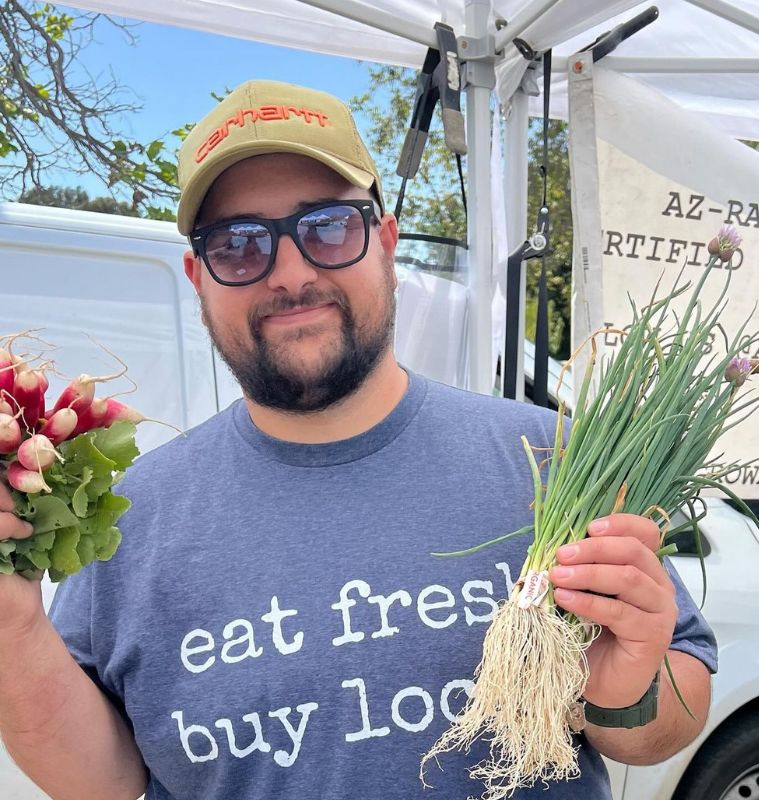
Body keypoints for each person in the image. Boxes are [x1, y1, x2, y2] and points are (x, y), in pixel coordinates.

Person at [0, 79, 716, 800]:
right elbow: (106, 783)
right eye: (239, 244)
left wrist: (623, 694)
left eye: (328, 226)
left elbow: (654, 728)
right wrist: (11, 621)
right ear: (198, 277)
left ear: (386, 240)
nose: (290, 272)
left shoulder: (549, 458)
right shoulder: (130, 518)